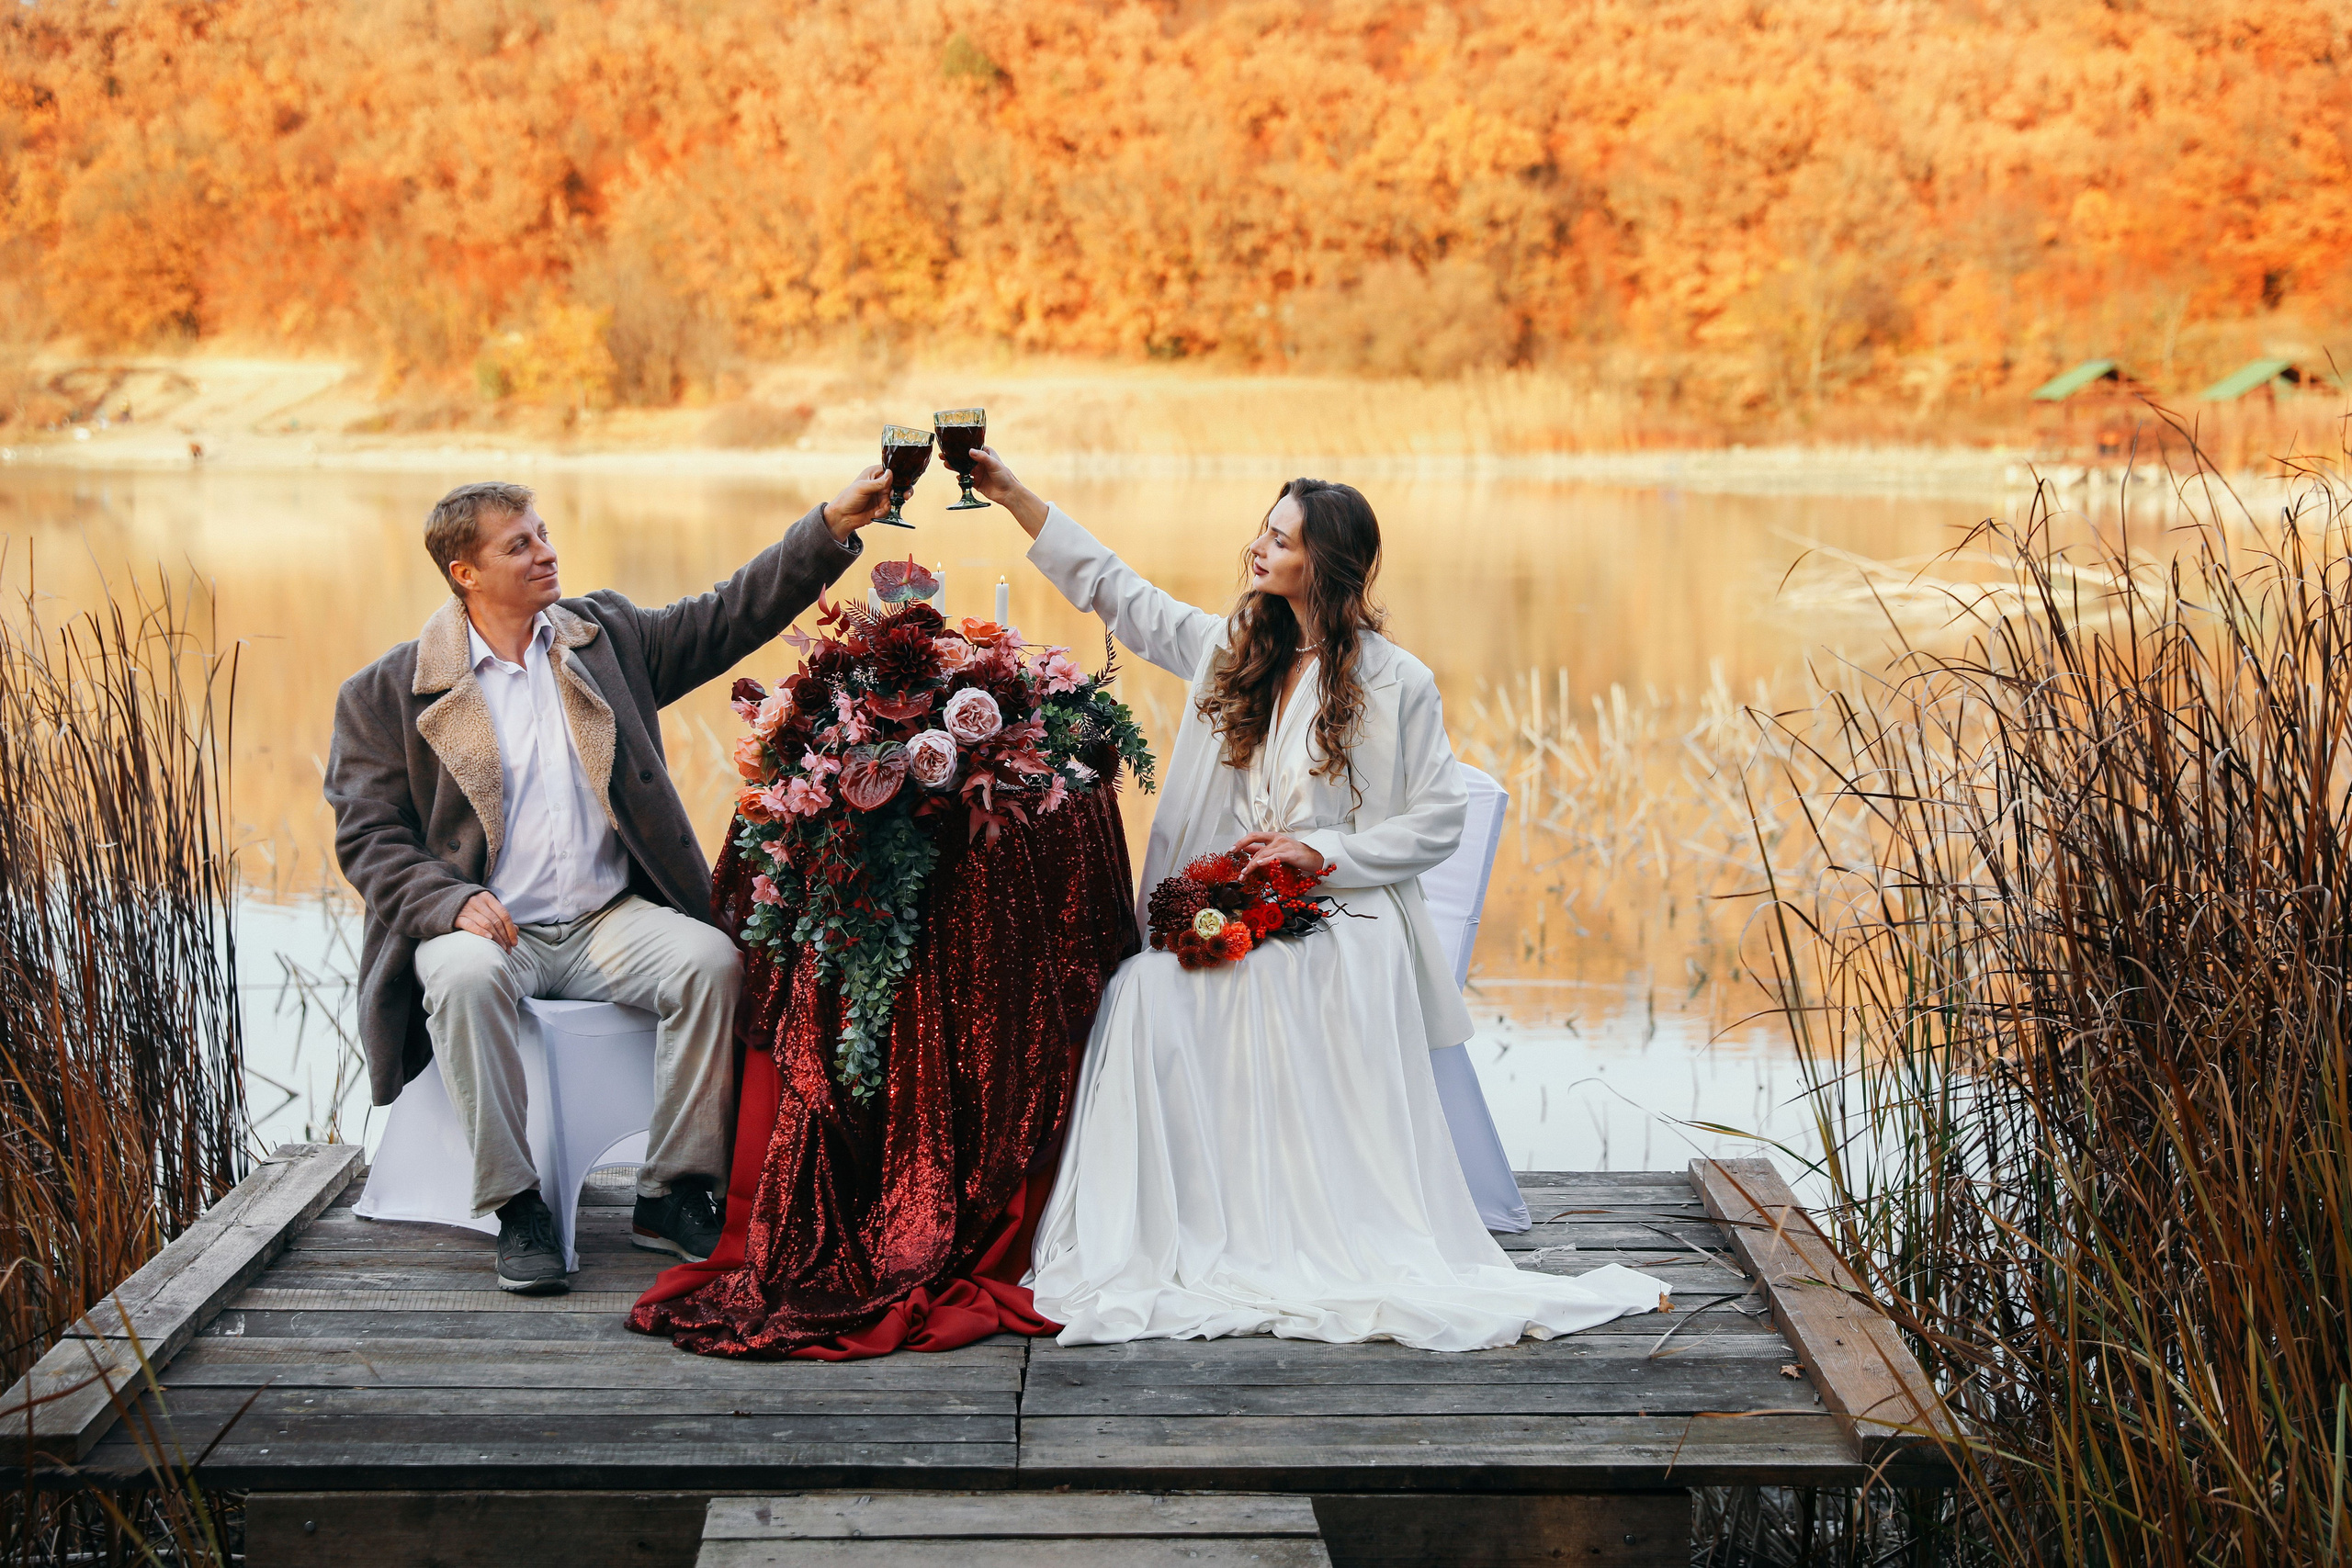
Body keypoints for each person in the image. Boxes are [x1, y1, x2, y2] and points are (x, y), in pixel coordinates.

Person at [967, 451, 1668, 1350]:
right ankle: (1186, 1221)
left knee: (1230, 985)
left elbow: (1437, 822)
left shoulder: (1397, 680)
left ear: (1324, 565)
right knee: (1141, 989)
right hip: (1234, 903)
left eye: (1282, 540)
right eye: (1263, 531)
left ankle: (1286, 1224)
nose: (1259, 548)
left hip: (1345, 917)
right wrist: (1013, 497)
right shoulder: (1236, 649)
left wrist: (1320, 853)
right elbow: (1122, 595)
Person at [326, 470, 890, 1294]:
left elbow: (730, 613)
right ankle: (516, 1205)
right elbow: (367, 836)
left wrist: (830, 527)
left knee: (711, 963)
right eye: (520, 545)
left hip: (606, 920)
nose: (546, 552)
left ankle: (671, 1191)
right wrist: (449, 902)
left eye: (544, 532)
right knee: (464, 977)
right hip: (488, 928)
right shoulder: (385, 693)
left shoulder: (606, 641)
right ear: (465, 573)